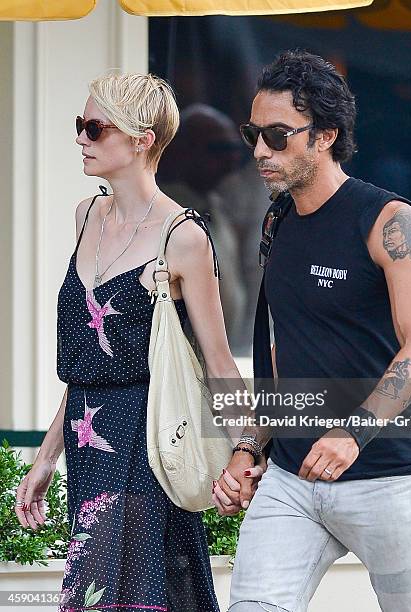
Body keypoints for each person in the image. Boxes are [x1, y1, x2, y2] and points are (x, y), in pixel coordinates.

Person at [212, 50, 411, 611]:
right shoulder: (278, 219)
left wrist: (352, 433)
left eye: (277, 135)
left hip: (386, 475)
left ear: (325, 136)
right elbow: (278, 351)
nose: (259, 151)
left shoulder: (389, 220)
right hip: (291, 481)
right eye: (253, 133)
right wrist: (251, 446)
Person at [13, 72, 253, 612]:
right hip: (87, 442)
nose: (80, 138)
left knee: (129, 598)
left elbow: (218, 361)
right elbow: (88, 366)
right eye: (81, 126)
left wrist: (246, 449)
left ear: (142, 140)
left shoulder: (184, 237)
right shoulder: (86, 216)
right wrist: (46, 458)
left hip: (148, 442)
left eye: (94, 128)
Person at [158, 103, 247, 351]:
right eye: (219, 148)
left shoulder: (215, 205)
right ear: (181, 152)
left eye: (235, 148)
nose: (232, 158)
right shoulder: (164, 215)